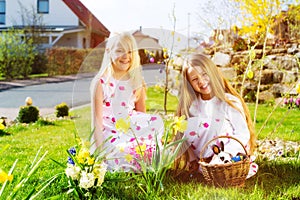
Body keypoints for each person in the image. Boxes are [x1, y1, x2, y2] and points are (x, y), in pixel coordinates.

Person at [175, 53, 257, 178]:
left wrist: (225, 155)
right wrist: (192, 159)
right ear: (189, 84)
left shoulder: (229, 102)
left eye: (204, 74)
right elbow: (183, 137)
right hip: (204, 166)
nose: (201, 81)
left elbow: (242, 133)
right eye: (195, 79)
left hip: (227, 161)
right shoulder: (191, 107)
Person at [90, 32, 164, 172]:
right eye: (119, 51)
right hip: (111, 131)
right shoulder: (101, 82)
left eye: (130, 51)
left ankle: (146, 155)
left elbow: (142, 114)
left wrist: (143, 138)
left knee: (157, 121)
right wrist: (99, 154)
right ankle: (129, 161)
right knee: (125, 151)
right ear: (109, 52)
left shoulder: (136, 81)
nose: (126, 56)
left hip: (131, 126)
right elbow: (97, 123)